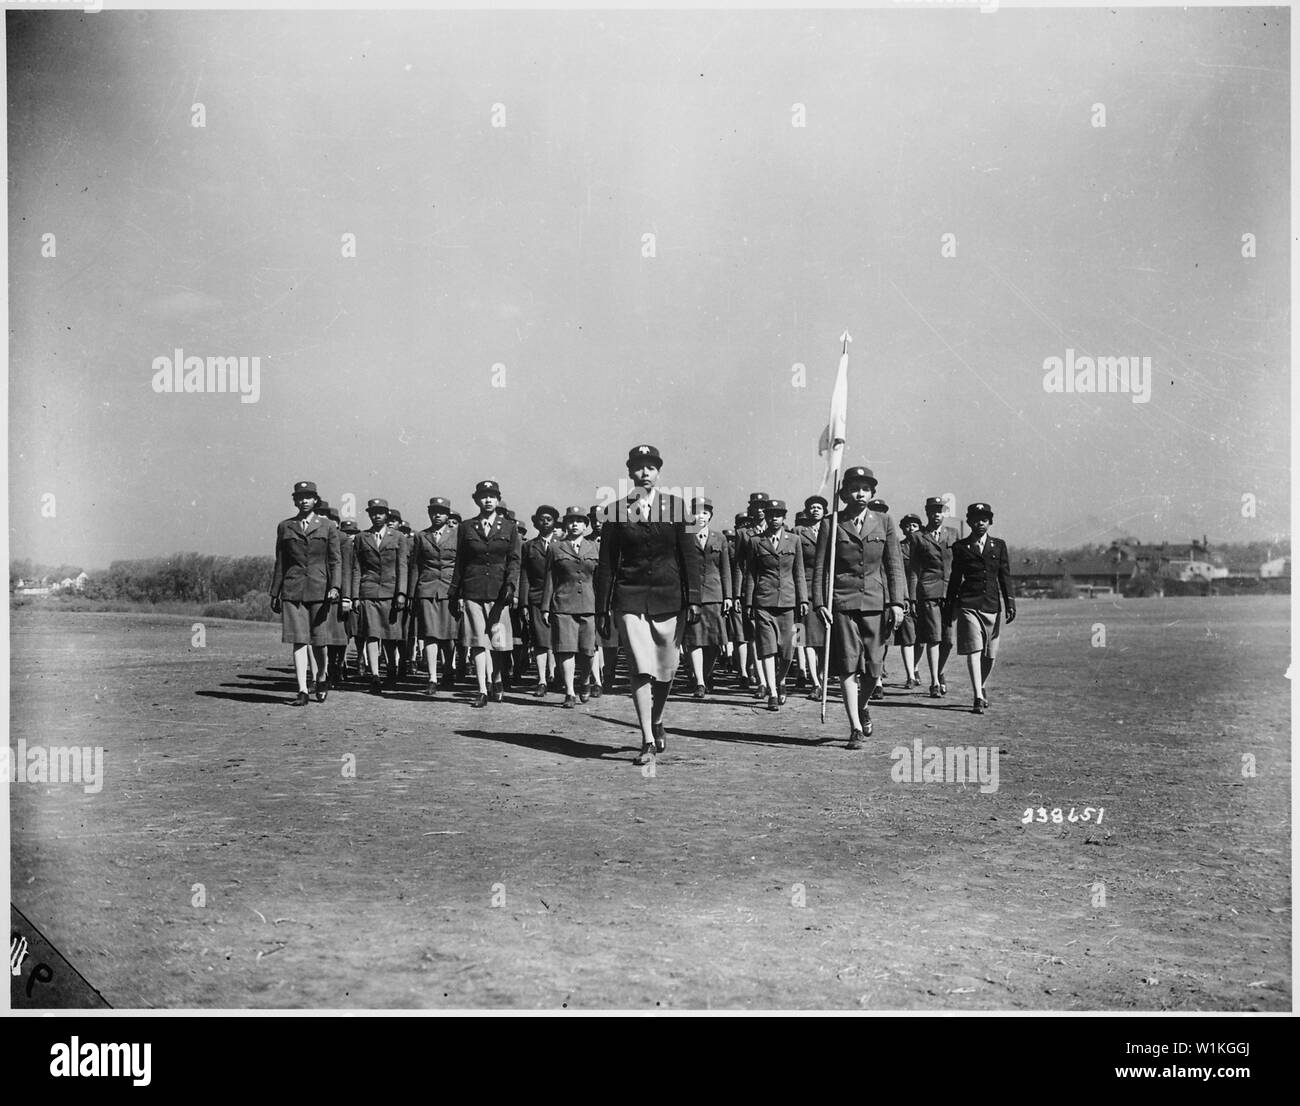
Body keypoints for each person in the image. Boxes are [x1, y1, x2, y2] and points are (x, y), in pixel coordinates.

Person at [595, 444, 701, 766]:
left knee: (665, 671)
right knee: (640, 668)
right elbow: (607, 564)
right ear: (629, 472)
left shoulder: (678, 506)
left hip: (670, 598)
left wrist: (694, 597)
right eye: (639, 467)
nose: (645, 472)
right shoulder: (615, 511)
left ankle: (657, 717)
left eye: (651, 467)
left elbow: (690, 555)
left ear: (658, 472)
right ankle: (647, 739)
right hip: (630, 598)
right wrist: (603, 608)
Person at [811, 466, 906, 749]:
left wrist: (898, 602)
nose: (860, 493)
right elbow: (820, 567)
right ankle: (854, 726)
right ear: (843, 493)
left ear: (873, 492)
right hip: (842, 602)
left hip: (877, 603)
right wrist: (819, 602)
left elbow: (894, 565)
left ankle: (862, 706)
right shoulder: (832, 522)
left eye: (865, 488)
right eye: (854, 488)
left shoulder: (885, 521)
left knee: (874, 669)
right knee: (848, 664)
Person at [448, 480, 523, 707]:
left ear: (498, 499)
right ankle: (482, 688)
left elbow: (514, 560)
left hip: (499, 593)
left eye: (492, 496)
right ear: (476, 500)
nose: (488, 500)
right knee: (478, 642)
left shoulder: (510, 527)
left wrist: (510, 585)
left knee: (498, 642)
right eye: (483, 496)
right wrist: (455, 592)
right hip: (473, 590)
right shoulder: (467, 527)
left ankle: (497, 680)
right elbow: (460, 561)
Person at [269, 480, 342, 705]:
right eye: (300, 497)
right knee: (299, 641)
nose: (304, 501)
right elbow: (280, 561)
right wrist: (275, 592)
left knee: (319, 642)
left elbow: (335, 560)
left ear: (315, 500)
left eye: (308, 497)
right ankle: (301, 689)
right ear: (294, 500)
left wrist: (335, 587)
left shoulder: (328, 526)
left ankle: (321, 676)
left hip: (320, 591)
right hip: (293, 590)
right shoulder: (285, 526)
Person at [944, 502, 1016, 714]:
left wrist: (1010, 602)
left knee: (989, 654)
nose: (980, 523)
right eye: (975, 519)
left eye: (984, 519)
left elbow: (1005, 576)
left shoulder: (999, 546)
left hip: (992, 605)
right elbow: (955, 578)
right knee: (974, 649)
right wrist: (950, 605)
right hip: (968, 604)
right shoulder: (960, 547)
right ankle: (976, 695)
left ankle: (982, 686)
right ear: (969, 522)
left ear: (990, 522)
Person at [742, 499, 808, 711]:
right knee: (767, 648)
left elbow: (799, 573)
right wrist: (750, 601)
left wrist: (803, 600)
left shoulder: (794, 540)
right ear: (766, 516)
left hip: (788, 602)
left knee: (788, 651)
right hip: (764, 600)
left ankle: (781, 680)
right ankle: (772, 690)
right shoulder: (755, 541)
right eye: (770, 515)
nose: (774, 518)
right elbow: (751, 574)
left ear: (784, 517)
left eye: (778, 515)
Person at [541, 507, 601, 707]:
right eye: (570, 521)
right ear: (565, 525)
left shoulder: (594, 548)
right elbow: (549, 578)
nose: (575, 524)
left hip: (589, 606)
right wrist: (545, 607)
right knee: (565, 650)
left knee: (588, 651)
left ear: (586, 525)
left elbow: (601, 580)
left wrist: (604, 607)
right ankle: (570, 691)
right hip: (563, 605)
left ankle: (584, 681)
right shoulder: (556, 548)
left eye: (579, 521)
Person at [351, 498, 409, 694]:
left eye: (381, 512)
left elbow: (402, 566)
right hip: (368, 591)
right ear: (369, 514)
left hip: (391, 593)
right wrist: (355, 596)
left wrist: (401, 593)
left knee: (391, 636)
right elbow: (357, 568)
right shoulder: (361, 537)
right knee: (371, 634)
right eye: (373, 512)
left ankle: (391, 670)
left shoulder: (398, 537)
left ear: (387, 515)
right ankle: (374, 675)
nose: (377, 516)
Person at [408, 496, 459, 696]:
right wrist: (413, 593)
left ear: (448, 515)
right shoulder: (421, 536)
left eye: (442, 512)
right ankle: (432, 678)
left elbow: (460, 565)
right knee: (430, 634)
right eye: (434, 511)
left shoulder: (457, 535)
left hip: (449, 590)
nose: (437, 515)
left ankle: (448, 670)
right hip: (427, 589)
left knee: (449, 636)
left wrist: (459, 591)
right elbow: (415, 566)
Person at [909, 496, 959, 698]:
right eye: (933, 511)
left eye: (940, 510)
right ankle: (935, 682)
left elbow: (958, 565)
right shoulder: (918, 537)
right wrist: (912, 596)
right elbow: (913, 569)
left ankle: (940, 671)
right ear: (927, 512)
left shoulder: (953, 534)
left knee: (948, 641)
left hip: (950, 592)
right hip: (929, 591)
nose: (936, 514)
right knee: (934, 638)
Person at [683, 496, 732, 699]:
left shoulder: (719, 538)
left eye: (704, 512)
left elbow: (726, 569)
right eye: (696, 512)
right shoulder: (685, 536)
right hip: (694, 596)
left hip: (715, 594)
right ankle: (700, 682)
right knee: (695, 640)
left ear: (710, 515)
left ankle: (706, 674)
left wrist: (728, 596)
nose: (700, 516)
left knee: (713, 642)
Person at [519, 505, 560, 697]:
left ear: (554, 522)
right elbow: (524, 575)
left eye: (549, 519)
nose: (545, 522)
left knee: (558, 640)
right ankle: (542, 679)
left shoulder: (563, 544)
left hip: (560, 598)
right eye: (541, 519)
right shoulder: (528, 546)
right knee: (540, 641)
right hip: (536, 597)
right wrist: (524, 603)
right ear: (536, 522)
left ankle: (555, 676)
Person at [797, 495, 829, 699]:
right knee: (807, 639)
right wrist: (800, 596)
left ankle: (825, 679)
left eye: (819, 507)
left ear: (825, 511)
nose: (815, 510)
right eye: (812, 508)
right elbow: (797, 566)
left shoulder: (833, 530)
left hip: (829, 590)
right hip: (808, 590)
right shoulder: (799, 533)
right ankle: (814, 682)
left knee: (827, 640)